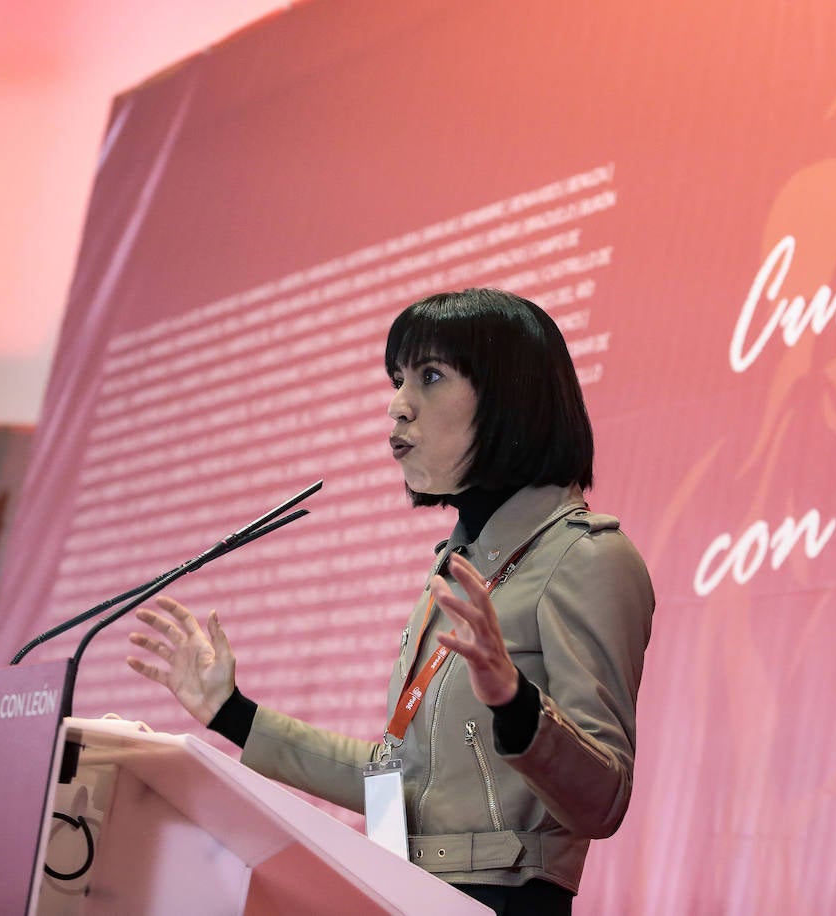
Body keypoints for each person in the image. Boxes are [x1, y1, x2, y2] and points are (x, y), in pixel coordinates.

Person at [126, 288, 656, 913]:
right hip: (406, 895)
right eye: (398, 379)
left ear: (511, 396)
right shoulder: (455, 572)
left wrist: (516, 703)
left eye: (430, 377)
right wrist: (231, 714)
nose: (396, 405)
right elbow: (396, 782)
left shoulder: (587, 557)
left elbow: (604, 799)